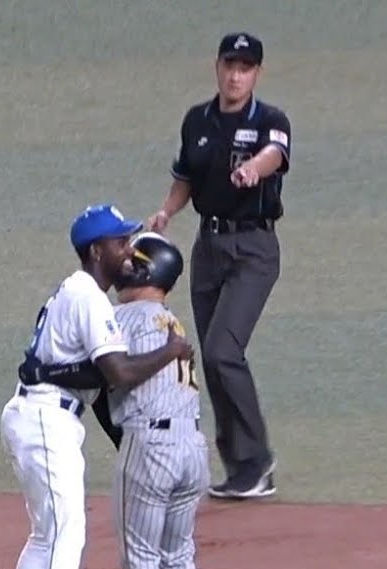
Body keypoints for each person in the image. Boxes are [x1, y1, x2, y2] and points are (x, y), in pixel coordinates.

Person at [0, 204, 194, 569]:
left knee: (47, 534)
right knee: (66, 534)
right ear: (97, 251)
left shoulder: (78, 293)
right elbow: (118, 374)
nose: (130, 251)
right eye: (122, 243)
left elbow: (92, 375)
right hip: (45, 418)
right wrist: (170, 351)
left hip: (39, 413)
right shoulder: (88, 298)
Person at [144, 31, 291, 499]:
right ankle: (241, 467)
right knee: (212, 358)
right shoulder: (198, 120)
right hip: (208, 248)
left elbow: (274, 155)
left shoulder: (270, 119)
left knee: (223, 351)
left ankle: (257, 462)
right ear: (217, 67)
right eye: (230, 65)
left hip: (253, 249)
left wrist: (253, 169)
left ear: (257, 74)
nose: (235, 76)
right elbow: (186, 177)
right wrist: (167, 211)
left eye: (245, 68)